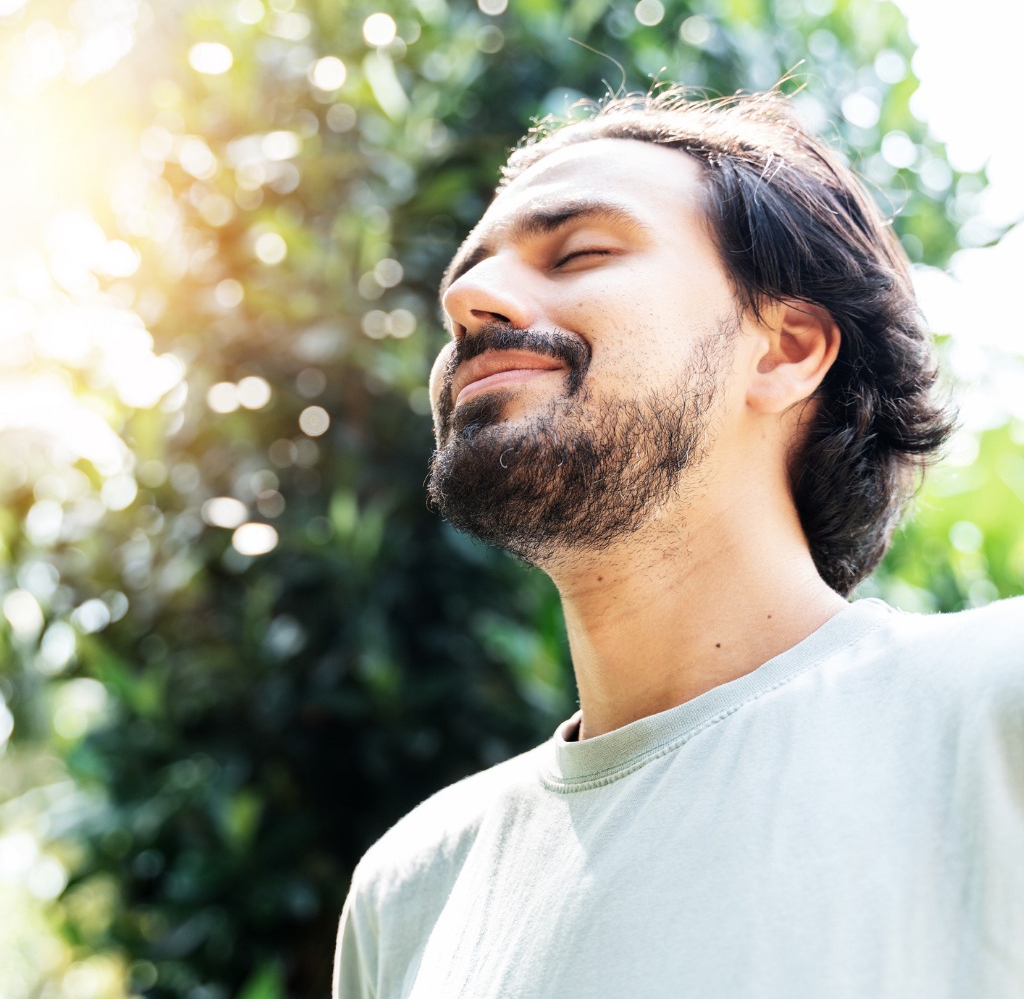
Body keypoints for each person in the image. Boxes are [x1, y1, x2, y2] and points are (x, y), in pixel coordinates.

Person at [333, 89, 1024, 998]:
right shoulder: (409, 890)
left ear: (785, 350)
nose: (465, 299)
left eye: (579, 252)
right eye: (465, 281)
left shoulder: (996, 701)